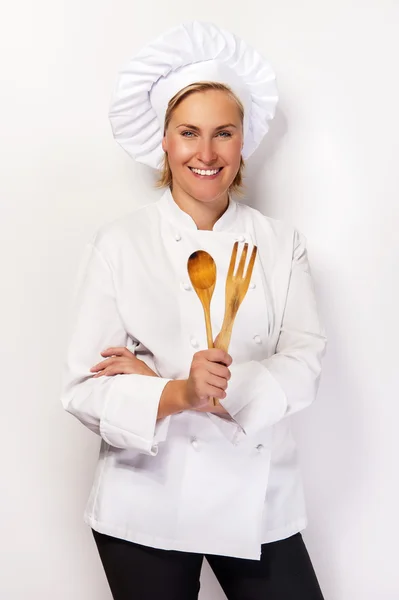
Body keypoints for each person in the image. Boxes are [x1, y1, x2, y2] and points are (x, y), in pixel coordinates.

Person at [61, 21, 327, 600]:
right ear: (165, 140)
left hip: (258, 502)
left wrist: (175, 384)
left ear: (243, 140)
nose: (205, 154)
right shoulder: (120, 243)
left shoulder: (280, 243)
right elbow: (83, 387)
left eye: (223, 133)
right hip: (145, 502)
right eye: (189, 133)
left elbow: (304, 362)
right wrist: (178, 393)